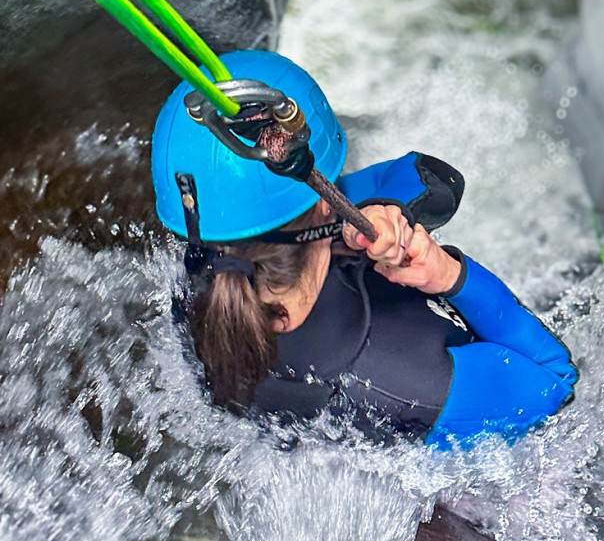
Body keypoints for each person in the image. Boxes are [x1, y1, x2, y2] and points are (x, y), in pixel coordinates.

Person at [151, 49, 578, 449]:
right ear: (324, 202)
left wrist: (379, 208)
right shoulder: (414, 380)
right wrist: (450, 275)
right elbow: (557, 381)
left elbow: (410, 179)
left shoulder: (196, 276)